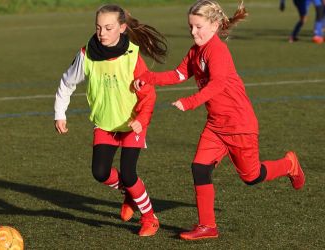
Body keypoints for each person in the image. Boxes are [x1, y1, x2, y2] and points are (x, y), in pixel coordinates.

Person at [134, 0, 305, 241]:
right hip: (216, 125)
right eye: (190, 27)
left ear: (214, 25)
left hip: (239, 124)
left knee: (251, 177)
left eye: (198, 27)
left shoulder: (217, 50)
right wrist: (148, 77)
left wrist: (190, 102)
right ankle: (207, 226)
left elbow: (218, 84)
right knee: (199, 167)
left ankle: (289, 165)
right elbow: (179, 74)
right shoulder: (195, 51)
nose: (193, 32)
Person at [54, 4, 167, 237]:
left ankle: (150, 218)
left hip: (132, 123)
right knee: (100, 173)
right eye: (98, 28)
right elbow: (67, 83)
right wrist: (59, 113)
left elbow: (149, 93)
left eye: (108, 28)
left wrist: (141, 121)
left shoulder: (132, 55)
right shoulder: (87, 54)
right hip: (105, 123)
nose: (102, 33)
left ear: (122, 28)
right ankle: (131, 194)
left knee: (128, 173)